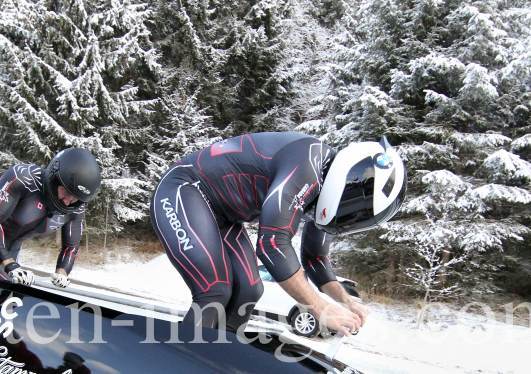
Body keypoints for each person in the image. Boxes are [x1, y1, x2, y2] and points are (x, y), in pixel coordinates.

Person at [148, 132, 406, 333]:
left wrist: (345, 301)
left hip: (223, 215)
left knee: (249, 292)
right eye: (355, 212)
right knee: (215, 291)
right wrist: (319, 308)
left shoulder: (322, 190)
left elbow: (315, 259)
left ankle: (217, 366)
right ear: (351, 180)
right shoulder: (308, 164)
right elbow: (272, 243)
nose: (349, 221)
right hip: (184, 188)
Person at [0, 148, 100, 288]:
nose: (67, 201)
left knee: (11, 297)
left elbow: (71, 247)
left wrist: (62, 273)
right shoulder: (24, 178)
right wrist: (9, 263)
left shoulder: (76, 209)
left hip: (10, 250)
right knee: (0, 290)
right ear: (55, 178)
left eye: (74, 197)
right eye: (65, 191)